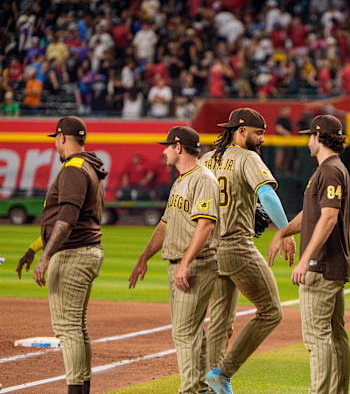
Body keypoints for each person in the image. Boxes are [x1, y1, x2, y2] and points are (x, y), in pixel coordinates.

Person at [201, 108, 295, 394]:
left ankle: (209, 385)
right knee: (271, 311)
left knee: (218, 322)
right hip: (236, 246)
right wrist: (285, 231)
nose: (262, 138)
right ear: (240, 132)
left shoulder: (206, 159)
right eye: (258, 133)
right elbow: (266, 194)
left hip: (209, 249)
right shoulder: (248, 157)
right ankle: (222, 374)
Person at [16, 116, 108, 394]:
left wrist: (46, 257)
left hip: (73, 254)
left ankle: (75, 391)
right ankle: (81, 389)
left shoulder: (73, 168)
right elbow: (64, 219)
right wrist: (34, 249)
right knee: (77, 328)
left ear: (62, 138)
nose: (55, 144)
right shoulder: (89, 165)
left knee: (67, 330)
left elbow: (66, 219)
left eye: (55, 139)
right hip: (86, 251)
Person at [129, 126, 220, 394]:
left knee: (184, 332)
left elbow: (205, 225)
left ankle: (190, 390)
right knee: (192, 332)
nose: (164, 151)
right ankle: (200, 389)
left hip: (195, 265)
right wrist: (144, 257)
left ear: (178, 147)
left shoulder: (203, 179)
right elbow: (165, 224)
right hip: (183, 264)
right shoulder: (181, 180)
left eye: (167, 146)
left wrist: (185, 263)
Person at [268, 115, 350, 394]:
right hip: (331, 264)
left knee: (317, 339)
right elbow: (311, 214)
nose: (306, 141)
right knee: (336, 337)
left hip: (322, 265)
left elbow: (328, 218)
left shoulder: (329, 171)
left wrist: (305, 260)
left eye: (309, 136)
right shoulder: (331, 169)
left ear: (319, 137)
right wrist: (284, 232)